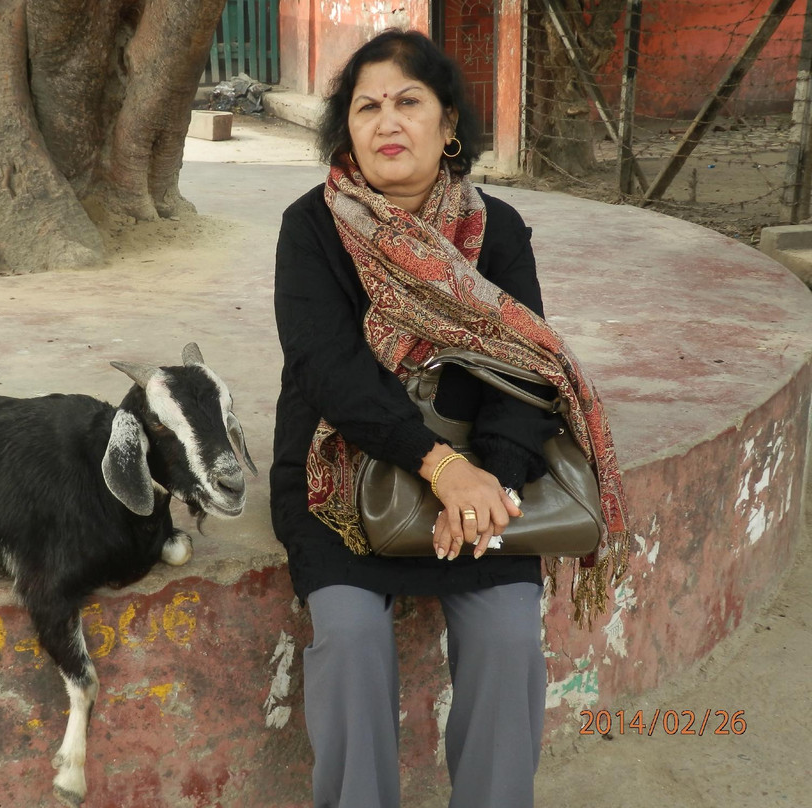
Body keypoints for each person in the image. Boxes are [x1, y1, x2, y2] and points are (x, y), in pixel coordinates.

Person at [270, 29, 627, 808]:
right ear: (346, 129)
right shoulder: (312, 228)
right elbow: (328, 373)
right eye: (366, 107)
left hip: (481, 472)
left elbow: (527, 371)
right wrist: (441, 468)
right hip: (344, 473)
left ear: (448, 123)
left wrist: (490, 478)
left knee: (504, 637)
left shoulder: (495, 230)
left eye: (408, 102)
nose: (385, 122)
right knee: (352, 637)